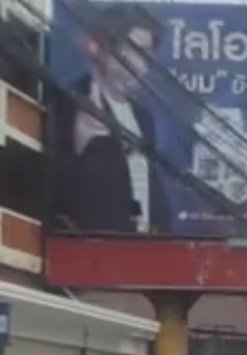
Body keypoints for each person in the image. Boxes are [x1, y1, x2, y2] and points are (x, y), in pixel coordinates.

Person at [49, 1, 172, 234]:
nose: (141, 64)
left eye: (148, 55)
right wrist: (79, 146)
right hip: (94, 254)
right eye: (134, 51)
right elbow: (47, 194)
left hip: (143, 250)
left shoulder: (143, 117)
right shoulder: (70, 102)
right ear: (106, 47)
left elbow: (151, 189)